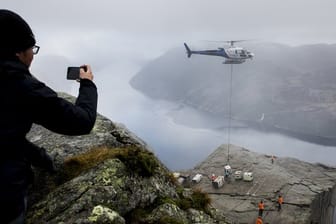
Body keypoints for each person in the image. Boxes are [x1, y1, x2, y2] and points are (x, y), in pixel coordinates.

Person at [0, 9, 97, 223]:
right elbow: (82, 122)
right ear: (17, 52)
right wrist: (87, 83)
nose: (33, 55)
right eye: (31, 48)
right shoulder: (21, 86)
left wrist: (40, 158)